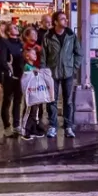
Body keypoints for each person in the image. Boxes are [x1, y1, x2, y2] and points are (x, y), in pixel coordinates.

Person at [42, 10, 80, 139]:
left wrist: (73, 68)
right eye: (62, 19)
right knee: (51, 100)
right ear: (56, 22)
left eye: (66, 18)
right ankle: (53, 126)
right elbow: (43, 56)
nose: (66, 21)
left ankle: (68, 126)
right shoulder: (48, 36)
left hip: (68, 73)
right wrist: (44, 71)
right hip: (52, 73)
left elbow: (78, 53)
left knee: (68, 101)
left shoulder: (71, 35)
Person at [19, 26, 45, 140]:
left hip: (36, 87)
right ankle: (25, 129)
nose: (35, 36)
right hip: (30, 89)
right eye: (32, 34)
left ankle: (34, 127)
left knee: (37, 108)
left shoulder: (37, 48)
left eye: (36, 34)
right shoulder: (26, 52)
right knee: (29, 108)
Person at [1, 23, 23, 138]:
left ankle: (16, 124)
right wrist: (8, 69)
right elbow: (3, 60)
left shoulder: (20, 43)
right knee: (7, 101)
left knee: (18, 101)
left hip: (20, 76)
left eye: (16, 27)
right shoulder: (6, 43)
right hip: (10, 76)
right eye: (14, 27)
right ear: (9, 32)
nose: (17, 28)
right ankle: (6, 126)